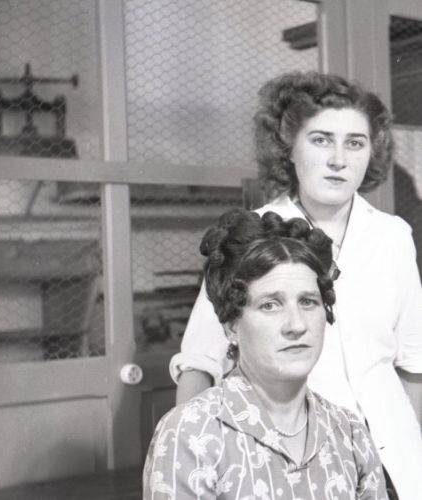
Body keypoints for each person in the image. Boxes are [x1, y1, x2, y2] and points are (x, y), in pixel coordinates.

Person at [169, 72, 422, 499]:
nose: (339, 159)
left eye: (355, 143)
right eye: (321, 140)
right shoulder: (253, 235)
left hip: (393, 461)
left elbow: (414, 362)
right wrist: (194, 459)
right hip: (292, 461)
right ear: (288, 148)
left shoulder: (393, 236)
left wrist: (404, 445)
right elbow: (199, 363)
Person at [144, 209, 388, 499]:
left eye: (308, 302)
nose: (296, 325)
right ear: (232, 325)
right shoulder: (191, 433)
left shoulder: (350, 433)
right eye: (270, 305)